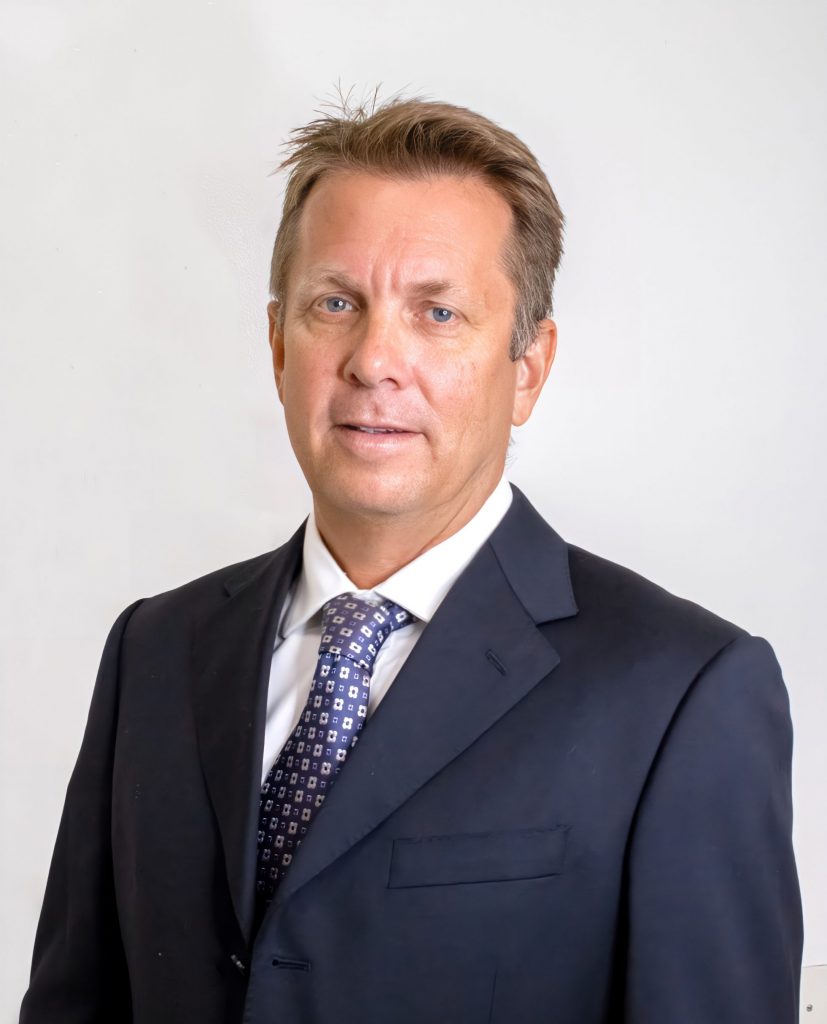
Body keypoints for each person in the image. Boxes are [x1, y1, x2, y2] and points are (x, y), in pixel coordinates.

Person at [21, 96, 802, 1024]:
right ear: (278, 343)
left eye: (437, 312)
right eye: (335, 303)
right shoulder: (155, 649)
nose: (374, 360)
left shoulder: (680, 692)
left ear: (527, 368)